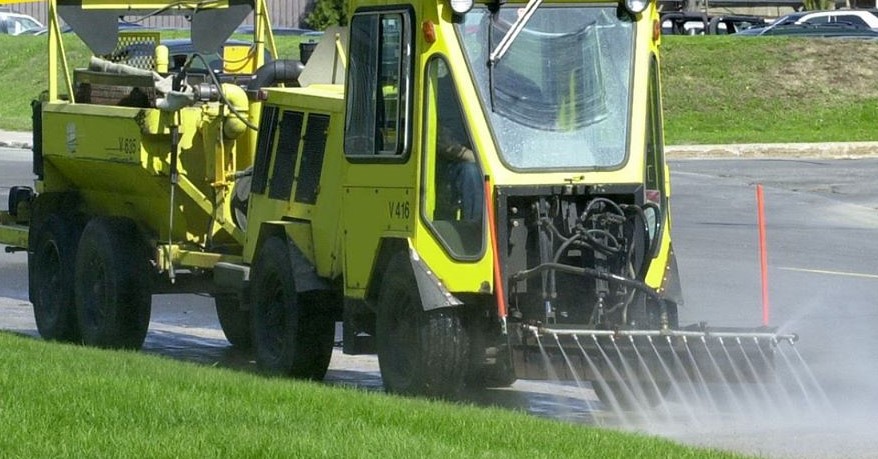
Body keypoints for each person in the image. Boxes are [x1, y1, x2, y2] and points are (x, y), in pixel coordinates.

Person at [435, 63, 484, 222]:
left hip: (488, 161)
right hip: (447, 164)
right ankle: (475, 227)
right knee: (472, 172)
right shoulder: (440, 89)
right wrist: (477, 158)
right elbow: (442, 142)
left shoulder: (486, 90)